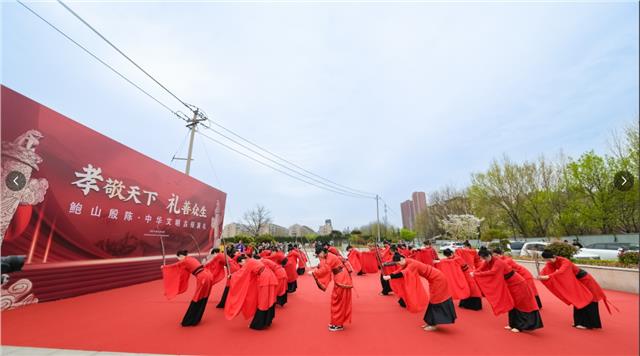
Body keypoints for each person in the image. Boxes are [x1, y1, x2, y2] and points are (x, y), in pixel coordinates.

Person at [473, 247, 543, 333]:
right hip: (509, 284)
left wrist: (476, 274)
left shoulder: (498, 262)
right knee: (512, 303)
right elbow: (480, 269)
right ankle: (512, 324)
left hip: (517, 283)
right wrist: (474, 273)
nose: (483, 260)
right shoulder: (488, 261)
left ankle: (520, 326)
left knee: (520, 304)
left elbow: (492, 272)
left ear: (488, 255)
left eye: (484, 258)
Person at [539, 250, 611, 329]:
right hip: (576, 281)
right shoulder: (551, 262)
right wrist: (541, 276)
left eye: (549, 259)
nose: (549, 262)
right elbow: (546, 270)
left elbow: (561, 272)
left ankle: (589, 324)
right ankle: (579, 322)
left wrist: (548, 276)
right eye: (546, 260)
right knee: (577, 299)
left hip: (585, 280)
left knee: (590, 299)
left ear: (554, 256)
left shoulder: (565, 261)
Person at [383, 253, 456, 331]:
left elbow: (404, 273)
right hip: (434, 279)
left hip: (438, 279)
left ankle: (433, 324)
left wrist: (390, 277)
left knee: (436, 300)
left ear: (401, 259)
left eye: (398, 263)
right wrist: (390, 275)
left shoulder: (412, 264)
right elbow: (399, 270)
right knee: (433, 300)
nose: (398, 265)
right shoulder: (407, 261)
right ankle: (430, 322)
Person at [224, 254, 278, 330]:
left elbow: (241, 273)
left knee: (263, 301)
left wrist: (232, 276)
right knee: (268, 299)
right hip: (269, 276)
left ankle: (259, 324)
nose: (241, 265)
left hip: (265, 278)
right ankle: (267, 320)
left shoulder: (249, 263)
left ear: (242, 260)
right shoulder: (252, 261)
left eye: (241, 264)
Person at [161, 250, 214, 326]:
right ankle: (196, 319)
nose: (179, 260)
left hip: (203, 278)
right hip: (207, 275)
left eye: (178, 258)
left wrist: (164, 267)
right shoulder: (191, 258)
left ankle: (189, 321)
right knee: (203, 297)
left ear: (180, 256)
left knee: (197, 298)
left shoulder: (185, 260)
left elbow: (175, 266)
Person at [309, 245, 353, 331]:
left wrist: (315, 273)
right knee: (337, 300)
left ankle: (338, 324)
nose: (318, 257)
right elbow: (323, 264)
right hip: (341, 278)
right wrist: (317, 268)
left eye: (318, 255)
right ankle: (337, 322)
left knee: (338, 301)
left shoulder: (330, 258)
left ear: (322, 252)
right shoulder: (328, 255)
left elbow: (326, 268)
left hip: (342, 279)